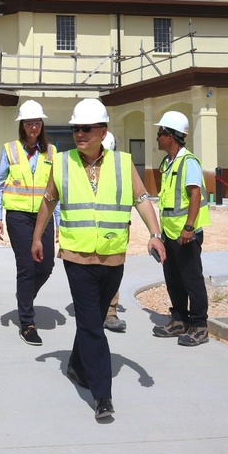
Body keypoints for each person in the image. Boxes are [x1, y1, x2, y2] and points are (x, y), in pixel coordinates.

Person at [31, 98, 166, 419]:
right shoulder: (62, 163)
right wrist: (37, 237)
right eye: (76, 128)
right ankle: (102, 395)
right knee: (93, 325)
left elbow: (142, 199)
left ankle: (76, 365)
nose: (79, 134)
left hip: (112, 258)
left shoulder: (123, 163)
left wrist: (155, 234)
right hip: (75, 257)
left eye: (86, 129)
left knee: (90, 322)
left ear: (103, 131)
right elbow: (49, 202)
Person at [0, 99, 56, 346]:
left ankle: (24, 296)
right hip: (18, 216)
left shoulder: (52, 151)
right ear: (22, 124)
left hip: (44, 215)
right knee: (27, 267)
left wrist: (57, 221)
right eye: (29, 122)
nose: (33, 126)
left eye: (37, 121)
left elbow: (55, 189)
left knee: (46, 265)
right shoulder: (10, 149)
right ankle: (27, 322)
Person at [152, 111, 211, 347]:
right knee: (173, 280)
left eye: (160, 133)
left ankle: (199, 326)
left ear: (171, 136)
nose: (157, 138)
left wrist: (189, 227)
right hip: (169, 234)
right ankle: (179, 319)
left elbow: (194, 193)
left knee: (192, 280)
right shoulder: (167, 163)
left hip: (185, 235)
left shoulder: (189, 162)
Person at [100, 132, 127, 333]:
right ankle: (97, 310)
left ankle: (110, 312)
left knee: (112, 268)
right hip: (88, 229)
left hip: (115, 227)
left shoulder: (120, 168)